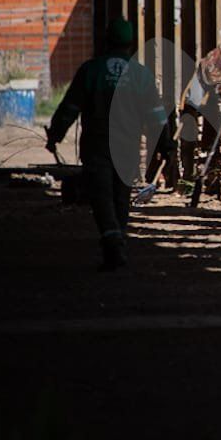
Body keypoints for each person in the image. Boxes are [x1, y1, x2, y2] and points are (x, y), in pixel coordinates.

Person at [46, 18, 173, 271]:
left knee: (101, 195)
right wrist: (166, 146)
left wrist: (55, 135)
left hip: (97, 145)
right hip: (127, 145)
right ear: (130, 44)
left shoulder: (91, 70)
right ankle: (118, 240)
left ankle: (112, 240)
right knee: (120, 197)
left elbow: (69, 107)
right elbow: (156, 116)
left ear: (105, 41)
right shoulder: (140, 74)